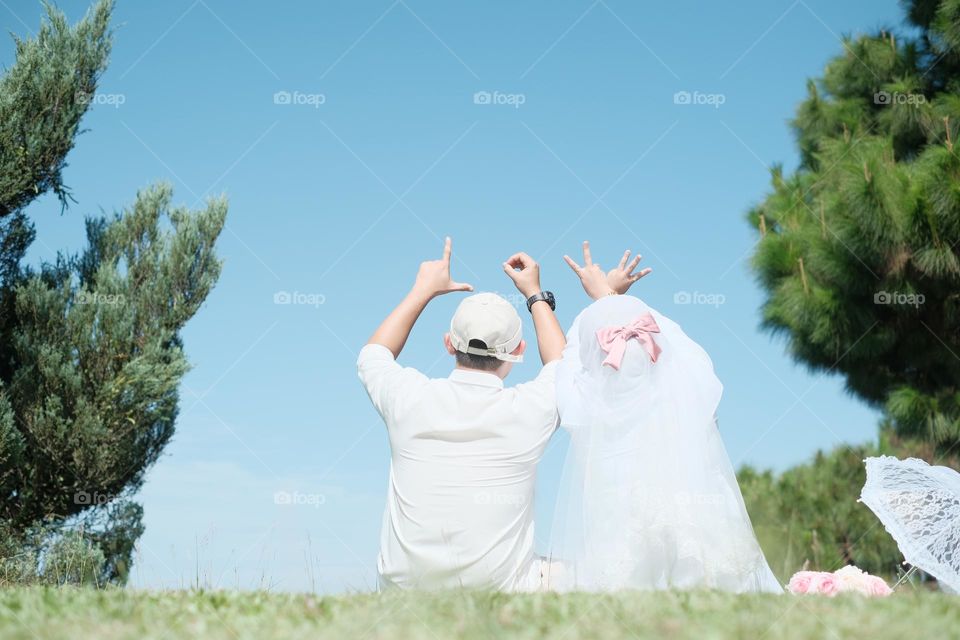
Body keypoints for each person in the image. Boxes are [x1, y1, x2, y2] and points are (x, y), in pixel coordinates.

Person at [547, 241, 782, 593]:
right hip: (702, 559)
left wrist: (598, 300)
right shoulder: (685, 395)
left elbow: (561, 361)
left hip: (619, 565)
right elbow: (685, 352)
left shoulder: (584, 407)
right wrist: (612, 297)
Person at [357, 237, 565, 590]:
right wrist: (535, 295)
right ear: (519, 350)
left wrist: (422, 291)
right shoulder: (529, 409)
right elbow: (564, 367)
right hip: (499, 594)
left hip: (404, 593)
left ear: (448, 343)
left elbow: (373, 354)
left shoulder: (409, 397)